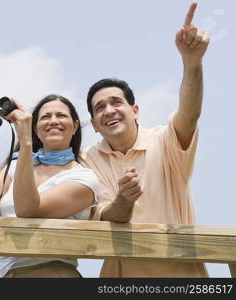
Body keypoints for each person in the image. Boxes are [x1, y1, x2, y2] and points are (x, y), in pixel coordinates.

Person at [80, 2, 210, 277]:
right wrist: (123, 200)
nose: (109, 110)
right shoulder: (86, 160)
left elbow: (189, 115)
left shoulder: (164, 140)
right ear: (93, 124)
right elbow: (105, 215)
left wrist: (192, 63)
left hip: (181, 276)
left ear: (135, 111)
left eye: (116, 102)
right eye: (99, 108)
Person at [0, 94, 99, 277]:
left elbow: (28, 210)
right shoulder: (17, 166)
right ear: (37, 129)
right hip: (9, 273)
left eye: (61, 115)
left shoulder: (83, 177)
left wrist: (26, 142)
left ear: (74, 127)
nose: (53, 121)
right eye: (45, 117)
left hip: (53, 273)